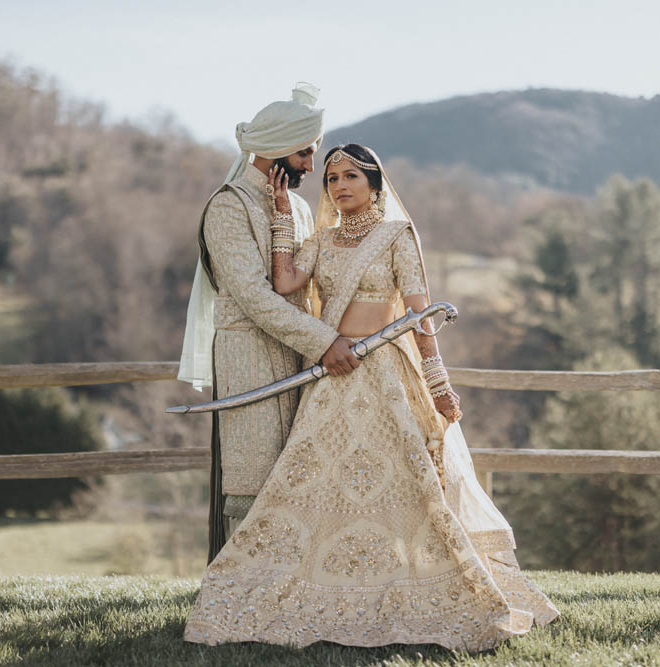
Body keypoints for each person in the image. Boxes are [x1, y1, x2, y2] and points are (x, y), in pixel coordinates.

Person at [183, 144, 559, 651]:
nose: (339, 186)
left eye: (351, 177)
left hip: (385, 378)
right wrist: (277, 220)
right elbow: (284, 281)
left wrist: (438, 381)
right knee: (310, 488)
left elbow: (421, 317)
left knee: (407, 490)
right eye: (332, 177)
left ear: (375, 184)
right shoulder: (323, 240)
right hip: (333, 379)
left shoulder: (396, 236)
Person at [177, 84, 361, 562]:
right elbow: (256, 299)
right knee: (252, 478)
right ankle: (238, 593)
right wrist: (325, 341)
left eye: (313, 152)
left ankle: (293, 590)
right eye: (304, 153)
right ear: (277, 150)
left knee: (299, 476)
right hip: (250, 360)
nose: (310, 165)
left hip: (301, 359)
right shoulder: (228, 206)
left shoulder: (297, 209)